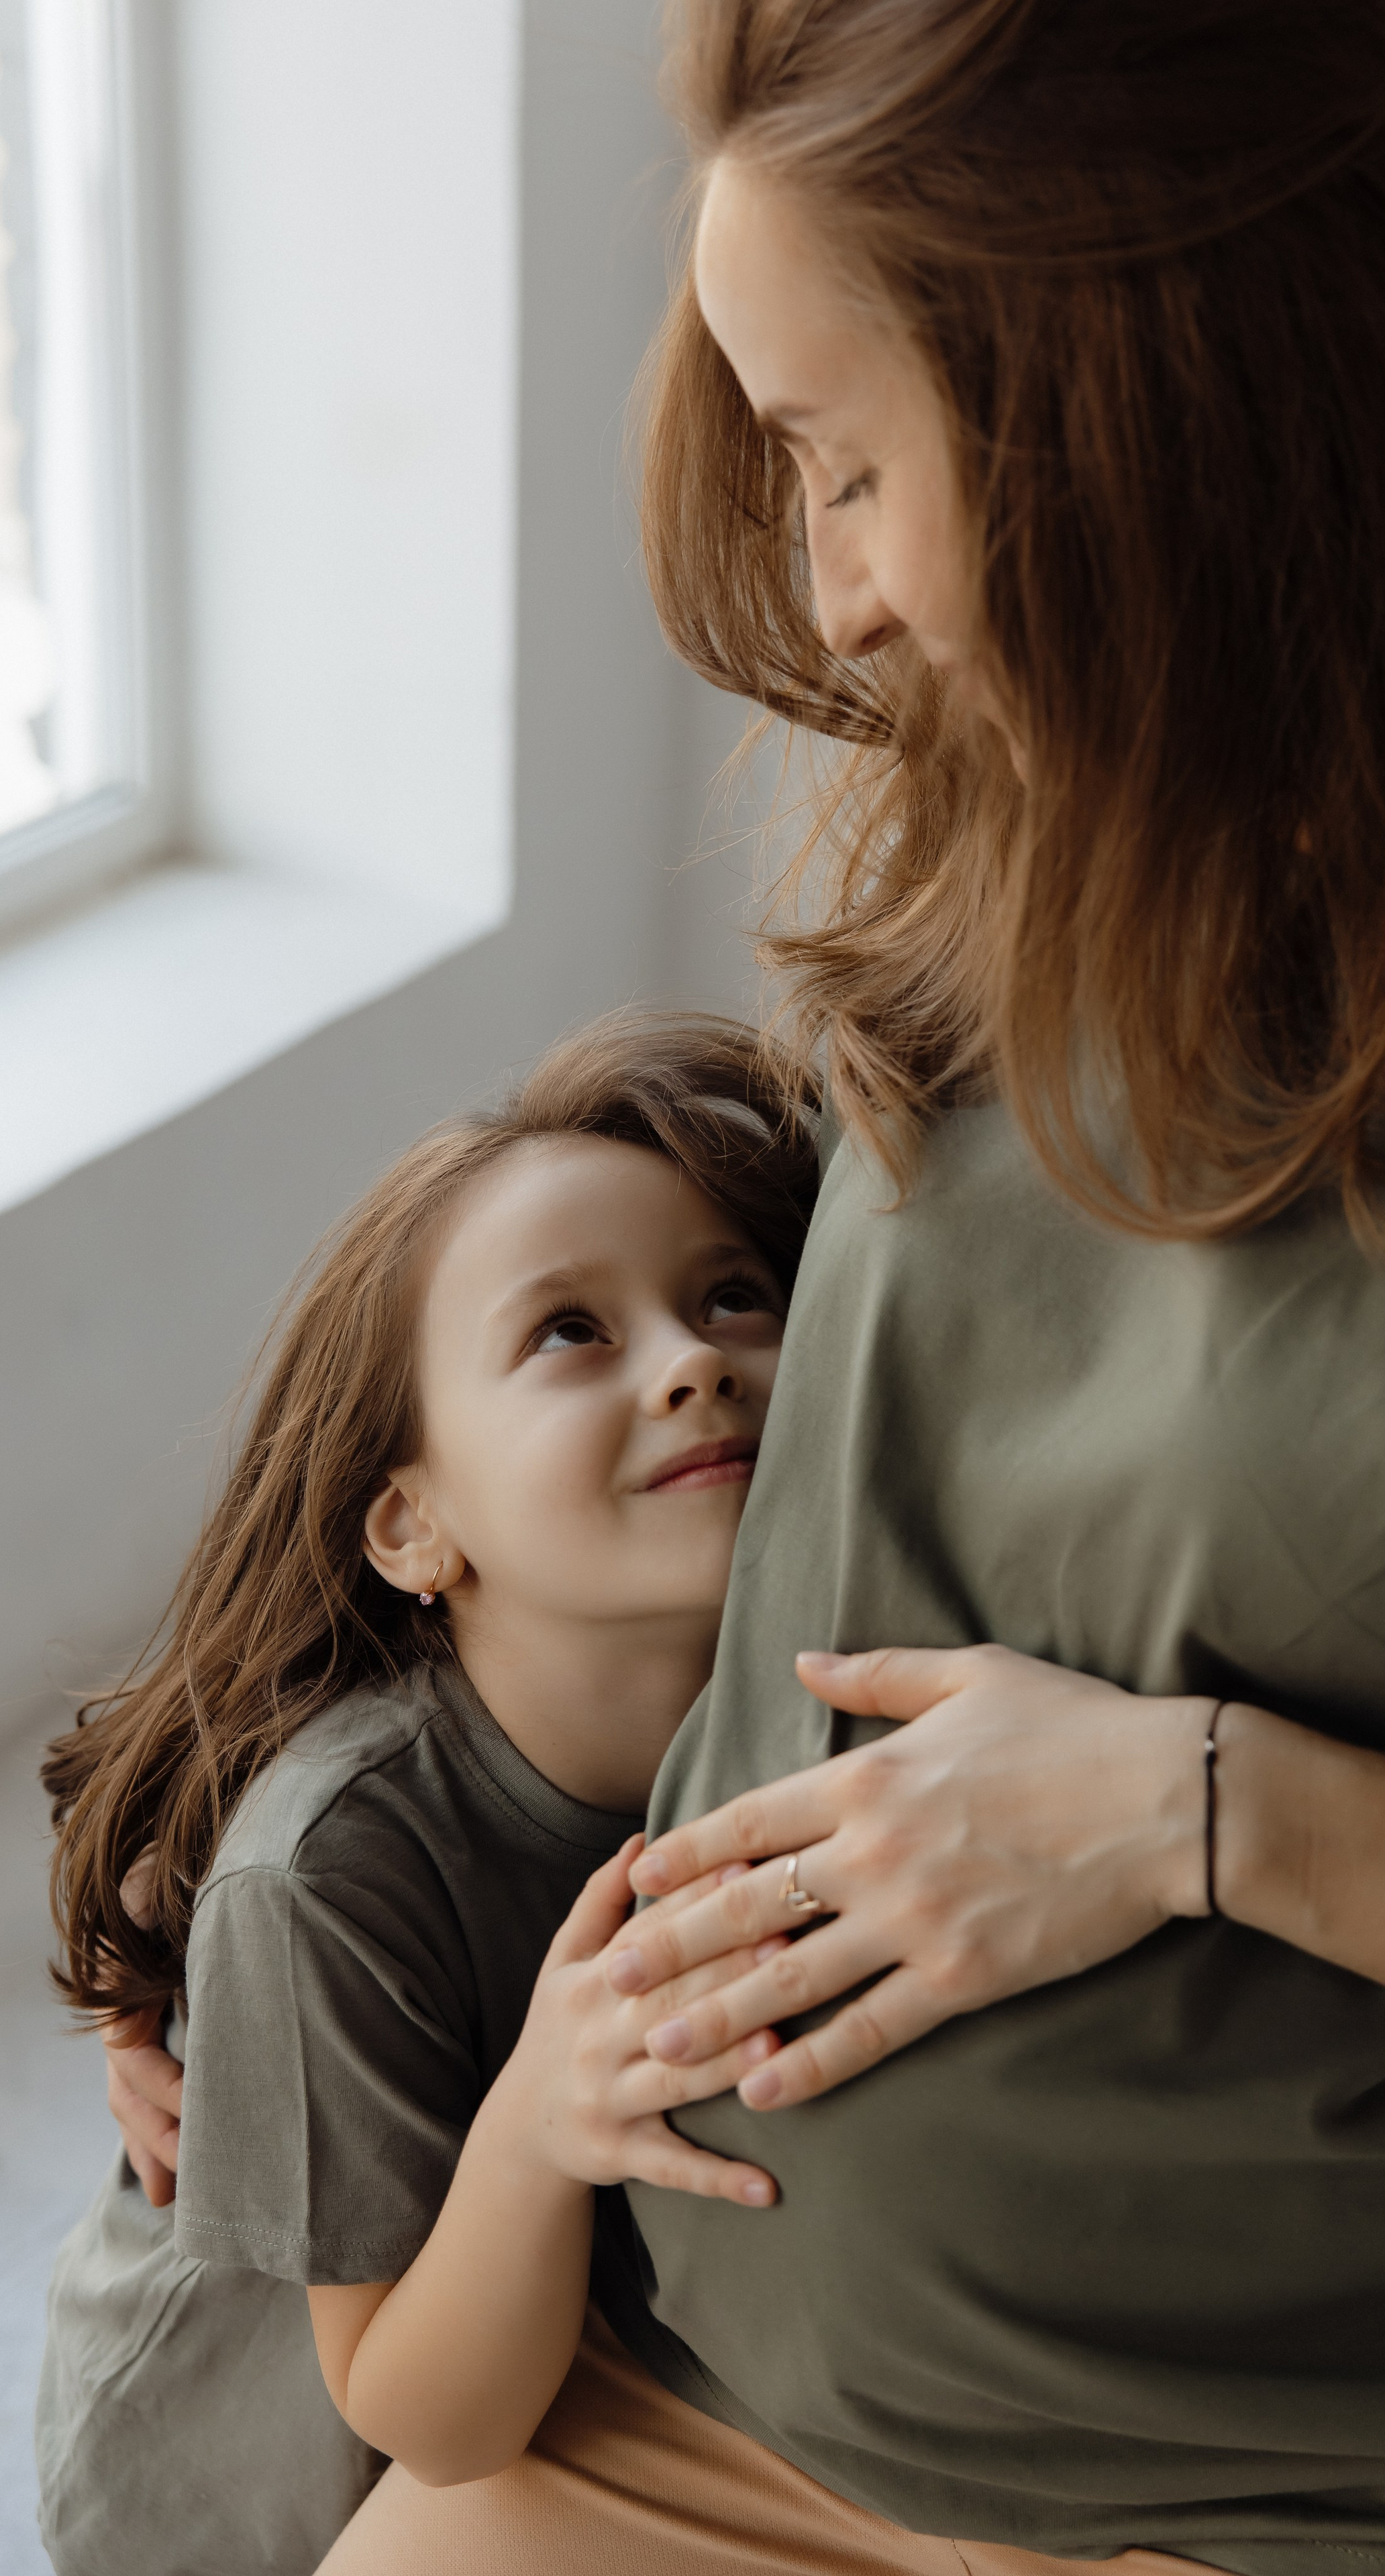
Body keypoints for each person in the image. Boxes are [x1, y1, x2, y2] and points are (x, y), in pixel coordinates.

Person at [117, 1, 1385, 2570]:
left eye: (854, 466)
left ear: (1180, 418)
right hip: (684, 2375)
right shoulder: (1057, 798)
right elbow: (698, 1506)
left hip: (1357, 2495)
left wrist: (1206, 1817)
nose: (841, 600)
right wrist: (257, 1921)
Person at [36, 1013, 817, 2576]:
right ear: (410, 1527)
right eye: (569, 1332)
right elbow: (433, 2424)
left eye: (730, 1295)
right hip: (259, 2495)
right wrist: (538, 2118)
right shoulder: (329, 1871)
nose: (692, 1365)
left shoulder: (814, 1686)